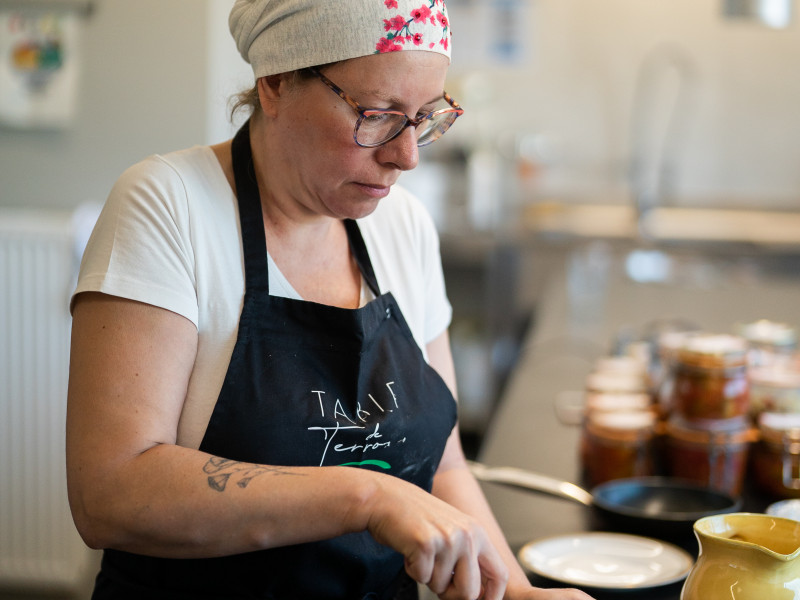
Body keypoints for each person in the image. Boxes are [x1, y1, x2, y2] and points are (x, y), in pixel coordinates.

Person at [66, 1, 595, 598]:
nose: (407, 155)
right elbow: (108, 494)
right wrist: (366, 495)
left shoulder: (404, 227)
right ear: (275, 83)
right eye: (378, 114)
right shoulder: (170, 206)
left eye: (425, 117)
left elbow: (443, 466)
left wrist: (515, 592)